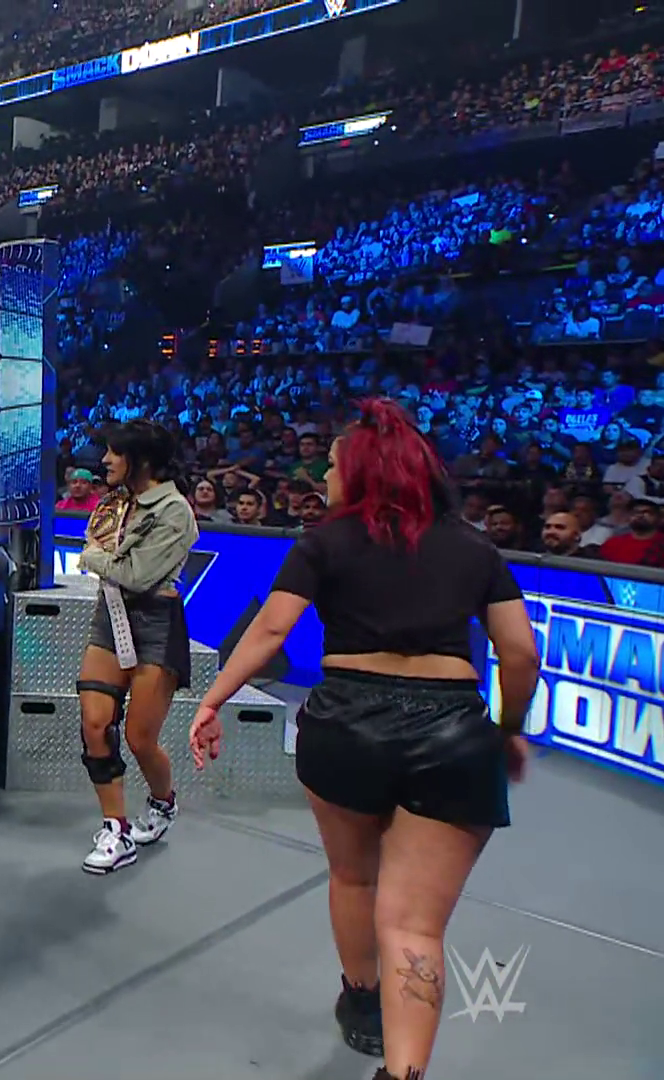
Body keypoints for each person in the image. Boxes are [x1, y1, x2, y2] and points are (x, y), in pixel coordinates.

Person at [188, 399, 537, 1080]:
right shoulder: (474, 546)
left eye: (332, 464)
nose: (324, 475)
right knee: (415, 926)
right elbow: (520, 654)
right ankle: (403, 1073)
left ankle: (362, 1002)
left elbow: (270, 630)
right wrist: (510, 730)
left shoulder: (324, 541)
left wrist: (212, 699)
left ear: (362, 472)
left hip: (346, 723)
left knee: (353, 875)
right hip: (452, 731)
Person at [74, 420, 198, 875]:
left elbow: (137, 576)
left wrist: (92, 557)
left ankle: (163, 803)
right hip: (110, 616)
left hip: (156, 623)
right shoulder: (115, 502)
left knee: (140, 739)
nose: (105, 460)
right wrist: (104, 558)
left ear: (141, 461)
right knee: (95, 725)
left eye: (114, 453)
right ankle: (116, 829)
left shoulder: (175, 511)